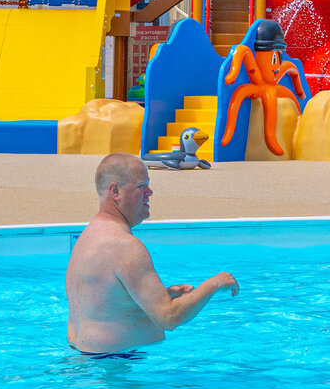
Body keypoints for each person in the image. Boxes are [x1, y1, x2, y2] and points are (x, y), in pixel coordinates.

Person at [65, 153, 239, 357]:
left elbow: (106, 301)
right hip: (116, 367)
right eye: (141, 186)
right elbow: (169, 317)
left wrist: (157, 295)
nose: (150, 192)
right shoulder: (125, 246)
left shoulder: (87, 237)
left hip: (87, 360)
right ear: (116, 191)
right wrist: (214, 284)